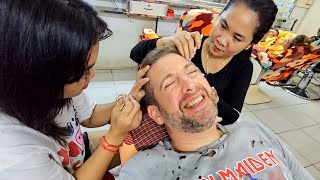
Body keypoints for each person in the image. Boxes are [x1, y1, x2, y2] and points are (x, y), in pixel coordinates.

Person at [0, 0, 150, 179]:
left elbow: (90, 115)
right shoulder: (14, 156)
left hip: (77, 155)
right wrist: (114, 137)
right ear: (41, 74)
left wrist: (131, 98)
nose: (92, 74)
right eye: (84, 70)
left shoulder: (61, 89)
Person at [118, 46, 314, 180]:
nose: (189, 85)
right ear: (156, 114)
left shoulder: (254, 131)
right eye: (169, 84)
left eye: (192, 72)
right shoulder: (144, 171)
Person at [131, 0, 278, 125]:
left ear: (249, 44)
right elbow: (136, 54)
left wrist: (209, 94)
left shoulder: (243, 67)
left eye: (237, 38)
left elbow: (231, 116)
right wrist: (165, 42)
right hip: (153, 118)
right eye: (223, 26)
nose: (221, 40)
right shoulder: (189, 45)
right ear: (218, 17)